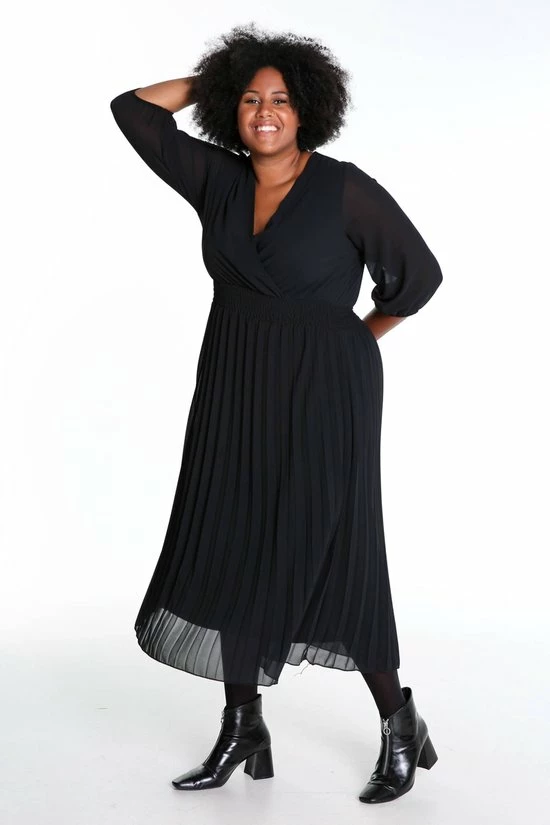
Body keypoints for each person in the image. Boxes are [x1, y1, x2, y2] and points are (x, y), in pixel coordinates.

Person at [110, 22, 442, 804]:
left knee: (337, 546)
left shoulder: (345, 188)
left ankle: (400, 721)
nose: (266, 113)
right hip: (235, 381)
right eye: (252, 100)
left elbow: (419, 277)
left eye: (282, 99)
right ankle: (242, 724)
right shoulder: (216, 179)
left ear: (308, 110)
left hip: (328, 386)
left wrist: (352, 338)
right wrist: (220, 81)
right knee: (234, 534)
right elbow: (133, 111)